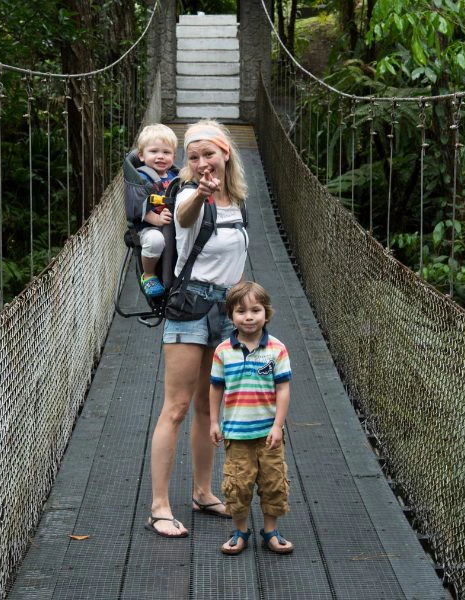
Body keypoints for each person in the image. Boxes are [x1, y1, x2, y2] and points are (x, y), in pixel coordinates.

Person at [145, 120, 249, 538]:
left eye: (209, 153)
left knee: (209, 407)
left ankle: (203, 492)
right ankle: (158, 507)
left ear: (226, 153)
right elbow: (184, 218)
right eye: (193, 157)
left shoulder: (240, 200)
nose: (203, 162)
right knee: (176, 407)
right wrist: (201, 193)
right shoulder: (189, 194)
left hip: (225, 310)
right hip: (190, 307)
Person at [209, 281, 294, 555]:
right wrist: (214, 421)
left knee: (273, 483)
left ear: (266, 314)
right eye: (240, 311)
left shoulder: (276, 349)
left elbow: (283, 388)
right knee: (238, 484)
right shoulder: (223, 351)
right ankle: (240, 530)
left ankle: (270, 530)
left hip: (268, 434)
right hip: (236, 433)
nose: (248, 317)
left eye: (255, 310)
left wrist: (278, 425)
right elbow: (216, 387)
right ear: (231, 315)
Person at [134, 123, 178, 298]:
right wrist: (157, 220)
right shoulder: (140, 178)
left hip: (174, 225)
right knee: (155, 240)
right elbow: (137, 207)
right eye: (154, 152)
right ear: (141, 156)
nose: (160, 156)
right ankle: (149, 275)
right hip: (149, 226)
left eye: (166, 152)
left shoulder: (176, 176)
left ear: (173, 156)